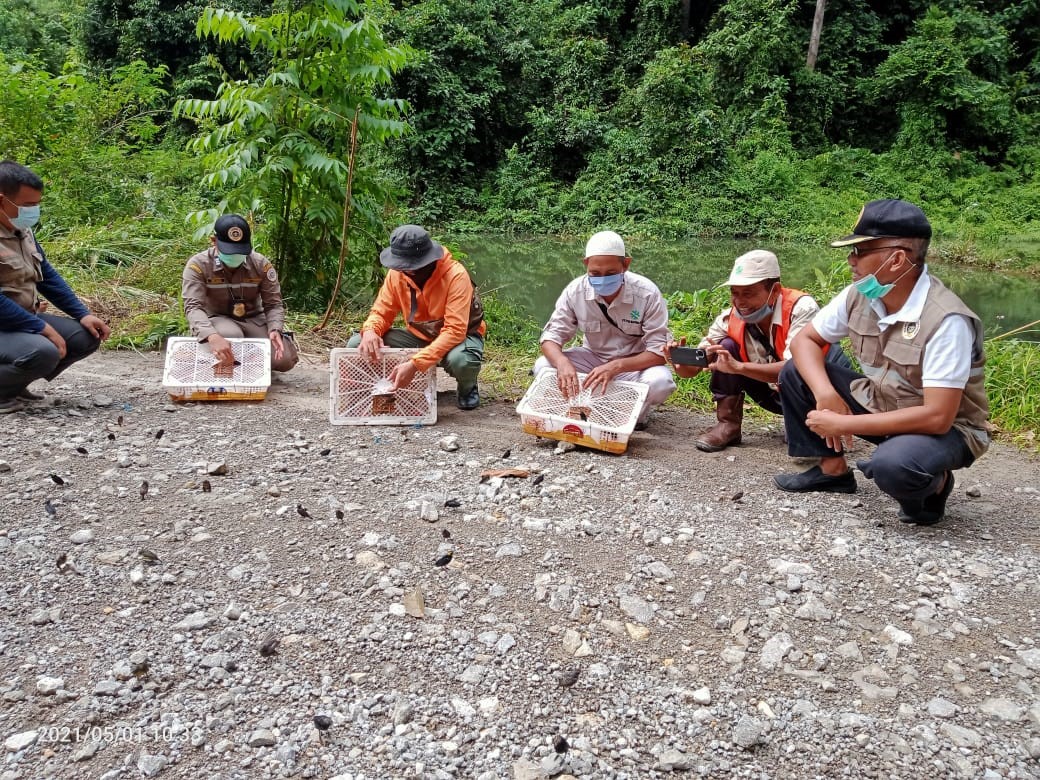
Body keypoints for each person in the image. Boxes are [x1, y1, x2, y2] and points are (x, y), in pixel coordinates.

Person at [773, 199, 990, 526]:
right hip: (883, 404)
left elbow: (938, 417)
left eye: (860, 251)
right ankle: (833, 472)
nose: (851, 260)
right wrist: (825, 393)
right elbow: (805, 340)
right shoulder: (860, 295)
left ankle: (936, 486)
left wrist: (844, 424)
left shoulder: (946, 320)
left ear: (897, 258)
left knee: (894, 466)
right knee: (795, 371)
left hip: (946, 430)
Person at [668, 249, 830, 452]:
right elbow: (690, 371)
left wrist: (739, 367)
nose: (740, 302)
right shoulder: (730, 317)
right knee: (725, 347)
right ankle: (728, 425)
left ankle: (805, 419)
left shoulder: (801, 309)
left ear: (775, 290)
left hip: (811, 394)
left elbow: (796, 368)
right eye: (735, 293)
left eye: (748, 293)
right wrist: (680, 362)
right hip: (770, 392)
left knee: (803, 434)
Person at [0, 160, 111, 413]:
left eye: (37, 204)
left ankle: (13, 387)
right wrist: (42, 328)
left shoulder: (21, 230)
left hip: (19, 321)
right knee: (45, 350)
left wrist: (82, 313)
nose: (34, 211)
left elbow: (46, 275)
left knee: (85, 336)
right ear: (1, 201)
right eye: (28, 206)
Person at [535, 230, 675, 427]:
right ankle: (580, 408)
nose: (602, 279)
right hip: (592, 359)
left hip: (633, 365)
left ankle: (633, 414)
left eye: (610, 274)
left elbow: (660, 352)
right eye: (595, 273)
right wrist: (562, 363)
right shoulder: (575, 291)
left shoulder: (647, 293)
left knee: (661, 382)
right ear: (586, 264)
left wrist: (616, 366)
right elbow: (550, 337)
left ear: (625, 264)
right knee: (543, 366)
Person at [348, 225, 485, 410]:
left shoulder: (456, 276)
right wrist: (371, 330)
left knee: (463, 361)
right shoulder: (397, 274)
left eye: (411, 267)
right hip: (420, 336)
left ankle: (467, 387)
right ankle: (388, 383)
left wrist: (414, 364)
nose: (407, 271)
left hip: (458, 340)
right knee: (358, 343)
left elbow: (455, 331)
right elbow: (381, 312)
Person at [182, 214, 298, 372]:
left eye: (240, 251)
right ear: (213, 241)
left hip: (253, 319)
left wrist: (275, 329)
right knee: (231, 335)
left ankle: (249, 363)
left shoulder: (261, 265)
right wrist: (212, 335)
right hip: (217, 320)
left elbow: (273, 304)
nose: (235, 256)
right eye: (229, 251)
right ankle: (217, 353)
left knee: (283, 360)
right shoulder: (198, 265)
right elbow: (193, 307)